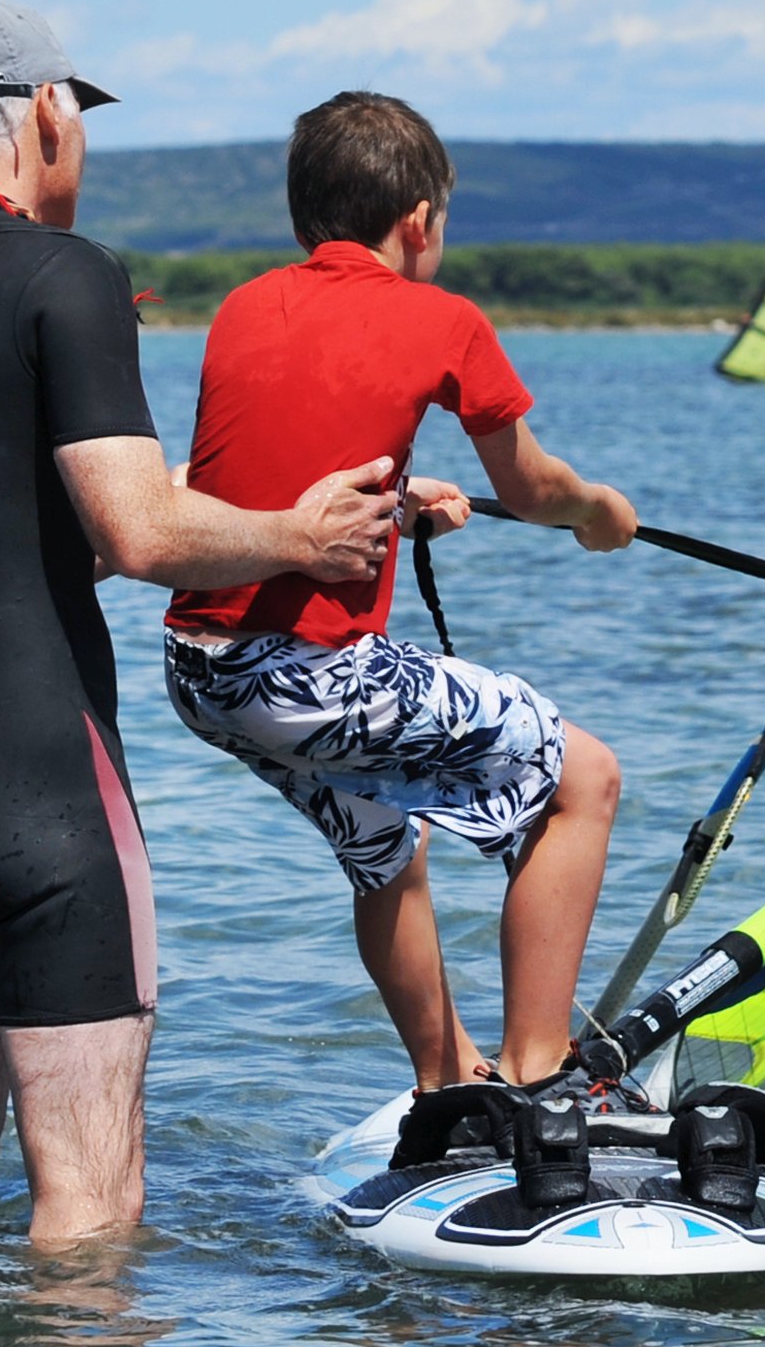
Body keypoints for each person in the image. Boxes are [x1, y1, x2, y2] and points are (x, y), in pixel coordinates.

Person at [0, 1, 398, 1245]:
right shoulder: (66, 275)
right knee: (90, 1204)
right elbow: (138, 534)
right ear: (47, 114)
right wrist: (303, 537)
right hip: (39, 789)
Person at [160, 91, 639, 1097]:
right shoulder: (444, 318)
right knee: (582, 781)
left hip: (203, 672)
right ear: (419, 220)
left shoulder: (245, 306)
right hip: (308, 677)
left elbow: (261, 471)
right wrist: (599, 511)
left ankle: (449, 1082)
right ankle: (541, 1069)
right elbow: (531, 487)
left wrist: (399, 500)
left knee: (385, 841)